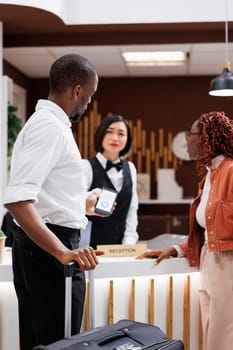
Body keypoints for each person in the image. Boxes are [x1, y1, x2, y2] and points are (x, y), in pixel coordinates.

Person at [3, 53, 105, 350]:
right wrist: (61, 253)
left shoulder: (49, 124)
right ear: (77, 91)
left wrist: (80, 203)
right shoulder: (49, 127)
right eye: (90, 95)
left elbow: (45, 196)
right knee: (56, 344)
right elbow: (18, 200)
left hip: (43, 247)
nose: (88, 103)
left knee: (46, 341)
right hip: (50, 251)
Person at [136, 111, 233, 350]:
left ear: (207, 137)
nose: (187, 139)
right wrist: (174, 250)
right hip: (209, 259)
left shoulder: (231, 171)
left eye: (191, 134)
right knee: (213, 333)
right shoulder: (208, 176)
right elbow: (210, 232)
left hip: (228, 263)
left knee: (224, 336)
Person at [82, 114, 139, 249]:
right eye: (109, 131)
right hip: (89, 248)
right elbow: (75, 204)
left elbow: (132, 209)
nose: (115, 138)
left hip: (121, 247)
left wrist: (128, 245)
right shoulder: (86, 166)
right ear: (101, 134)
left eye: (121, 134)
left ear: (127, 139)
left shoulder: (130, 168)